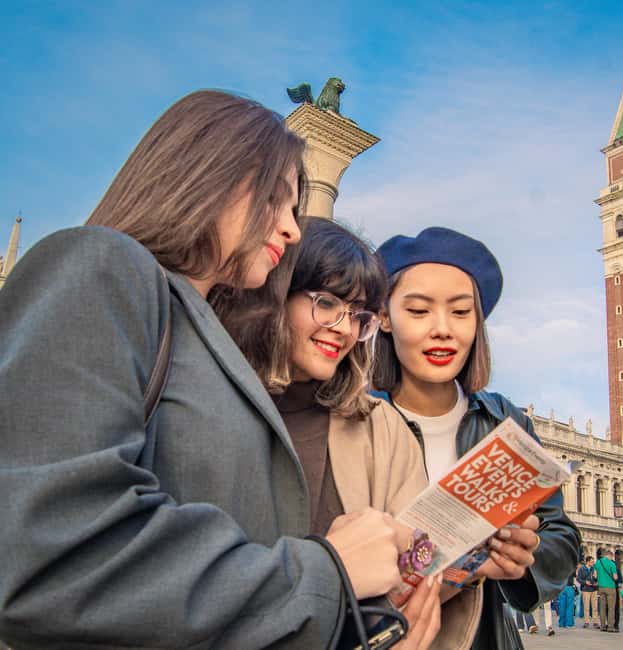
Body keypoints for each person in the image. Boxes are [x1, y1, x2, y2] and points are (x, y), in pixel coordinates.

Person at [0, 90, 408, 648]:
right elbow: (49, 554)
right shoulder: (102, 265)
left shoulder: (206, 338)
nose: (292, 230)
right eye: (277, 199)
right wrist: (327, 572)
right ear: (211, 175)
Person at [220, 216, 445, 647]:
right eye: (326, 303)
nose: (344, 328)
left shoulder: (382, 427)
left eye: (358, 315)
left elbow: (421, 564)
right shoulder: (210, 404)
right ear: (275, 294)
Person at [371, 226, 582, 649]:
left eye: (460, 312)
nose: (442, 329)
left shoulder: (505, 421)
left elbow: (562, 536)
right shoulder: (356, 419)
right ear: (384, 317)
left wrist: (525, 556)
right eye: (419, 311)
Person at [595, 549, 619, 632]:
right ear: (610, 555)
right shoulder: (611, 563)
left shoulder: (598, 562)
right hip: (610, 587)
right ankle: (610, 626)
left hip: (601, 587)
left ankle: (602, 626)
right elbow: (615, 577)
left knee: (602, 607)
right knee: (611, 608)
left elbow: (595, 575)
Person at [577, 555, 600, 628]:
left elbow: (597, 578)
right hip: (586, 589)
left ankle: (595, 622)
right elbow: (578, 579)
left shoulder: (594, 568)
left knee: (595, 607)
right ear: (587, 562)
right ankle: (586, 622)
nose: (593, 563)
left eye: (593, 562)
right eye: (592, 562)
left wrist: (596, 578)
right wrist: (585, 582)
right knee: (586, 607)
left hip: (594, 589)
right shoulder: (582, 569)